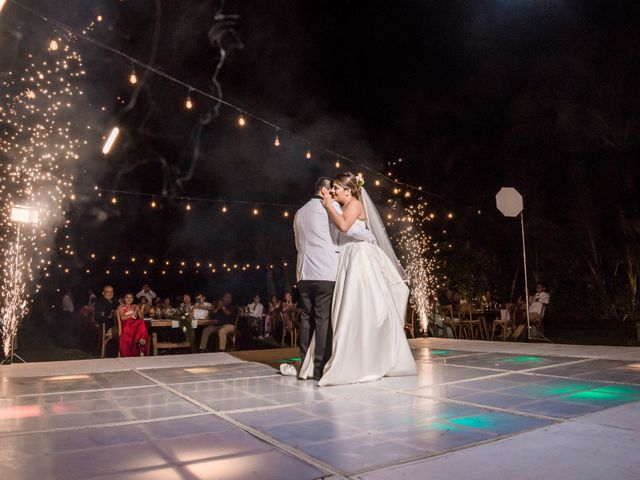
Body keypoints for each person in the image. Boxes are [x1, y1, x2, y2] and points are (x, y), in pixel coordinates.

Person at [298, 172, 417, 385]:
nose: (333, 191)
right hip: (347, 258)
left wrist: (327, 204)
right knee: (347, 310)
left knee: (361, 306)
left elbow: (343, 227)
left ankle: (366, 358)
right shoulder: (343, 207)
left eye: (337, 188)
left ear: (349, 190)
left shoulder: (353, 205)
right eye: (332, 188)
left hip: (359, 259)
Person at [291, 177, 341, 381]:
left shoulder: (299, 212)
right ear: (323, 191)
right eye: (332, 190)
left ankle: (305, 364)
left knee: (305, 318)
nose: (334, 194)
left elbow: (297, 243)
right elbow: (341, 232)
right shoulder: (330, 207)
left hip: (304, 273)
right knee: (322, 319)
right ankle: (319, 367)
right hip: (325, 271)